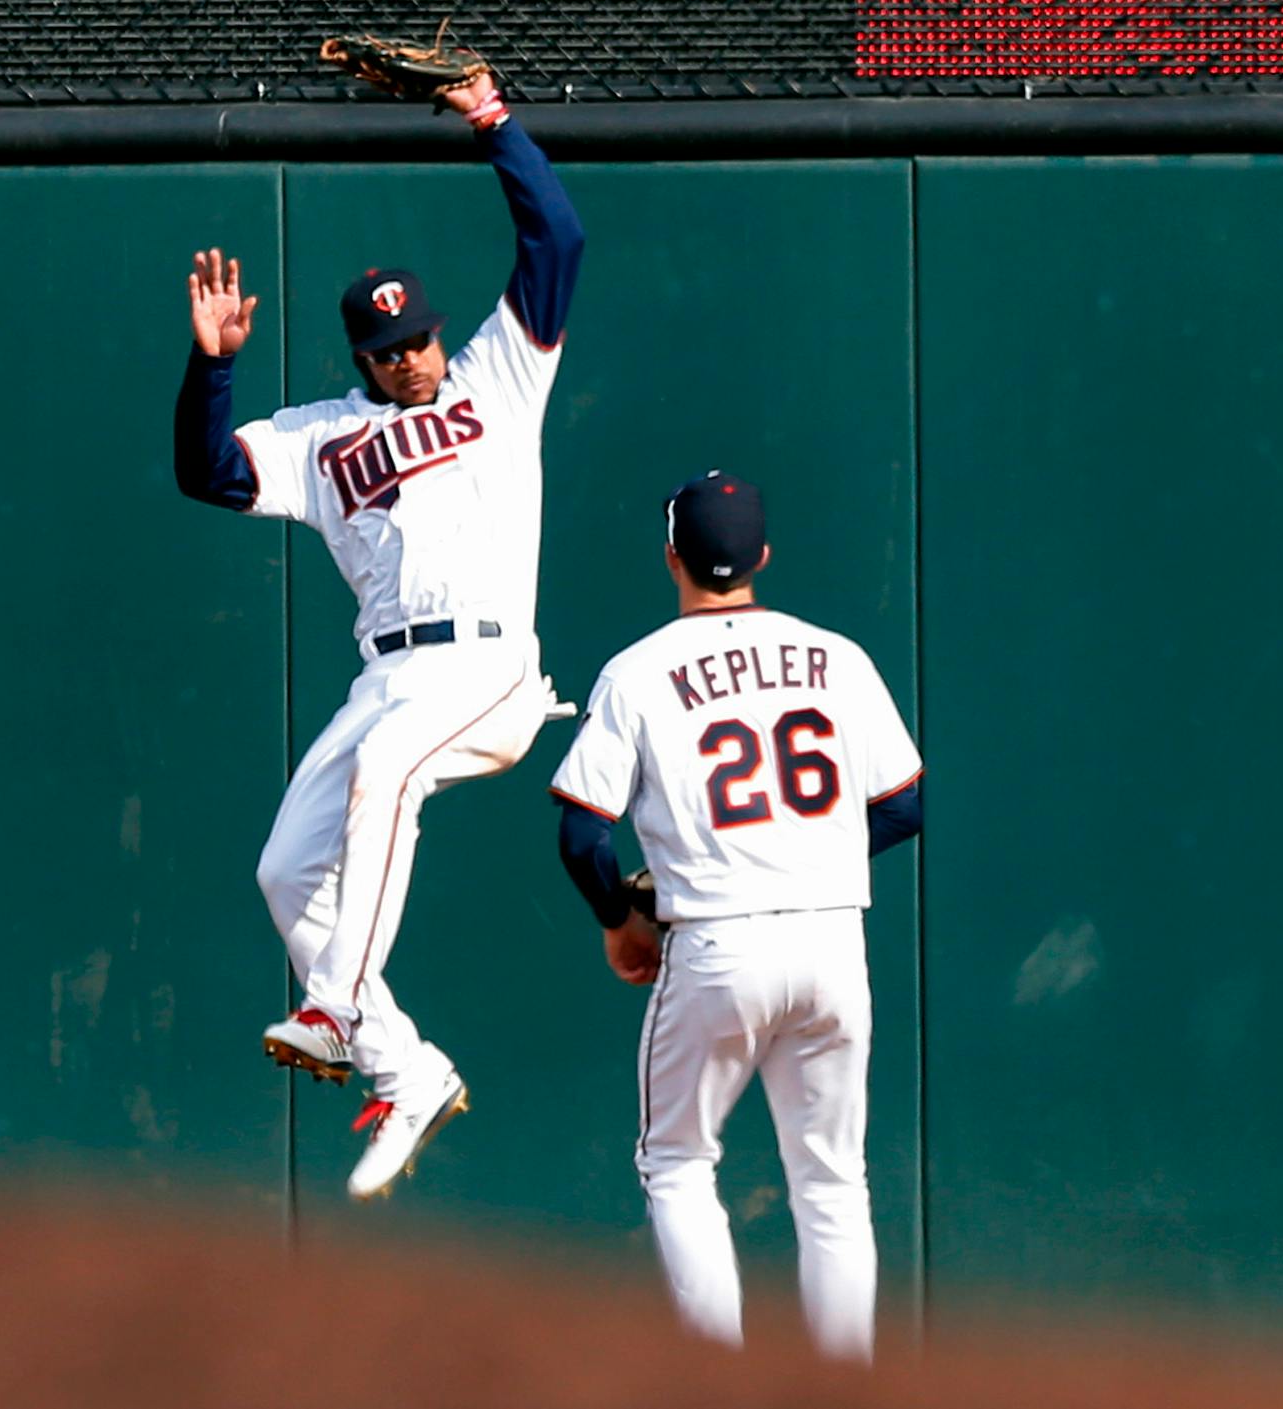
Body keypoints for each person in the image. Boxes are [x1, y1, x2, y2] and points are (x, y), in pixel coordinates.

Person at [172, 71, 583, 1201]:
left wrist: (492, 119)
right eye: (389, 347)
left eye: (419, 338)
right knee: (285, 869)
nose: (411, 357)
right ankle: (408, 1071)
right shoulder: (325, 436)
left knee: (390, 771)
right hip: (388, 675)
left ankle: (336, 1005)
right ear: (361, 357)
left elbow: (558, 240)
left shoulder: (500, 378)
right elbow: (209, 472)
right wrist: (214, 366)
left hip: (488, 663)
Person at [548, 471, 923, 1360]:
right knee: (833, 1180)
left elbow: (581, 834)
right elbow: (904, 806)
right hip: (833, 937)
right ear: (763, 555)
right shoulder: (838, 656)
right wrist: (811, 859)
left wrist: (618, 918)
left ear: (670, 556)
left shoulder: (638, 671)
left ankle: (716, 1383)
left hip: (716, 942)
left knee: (677, 1161)